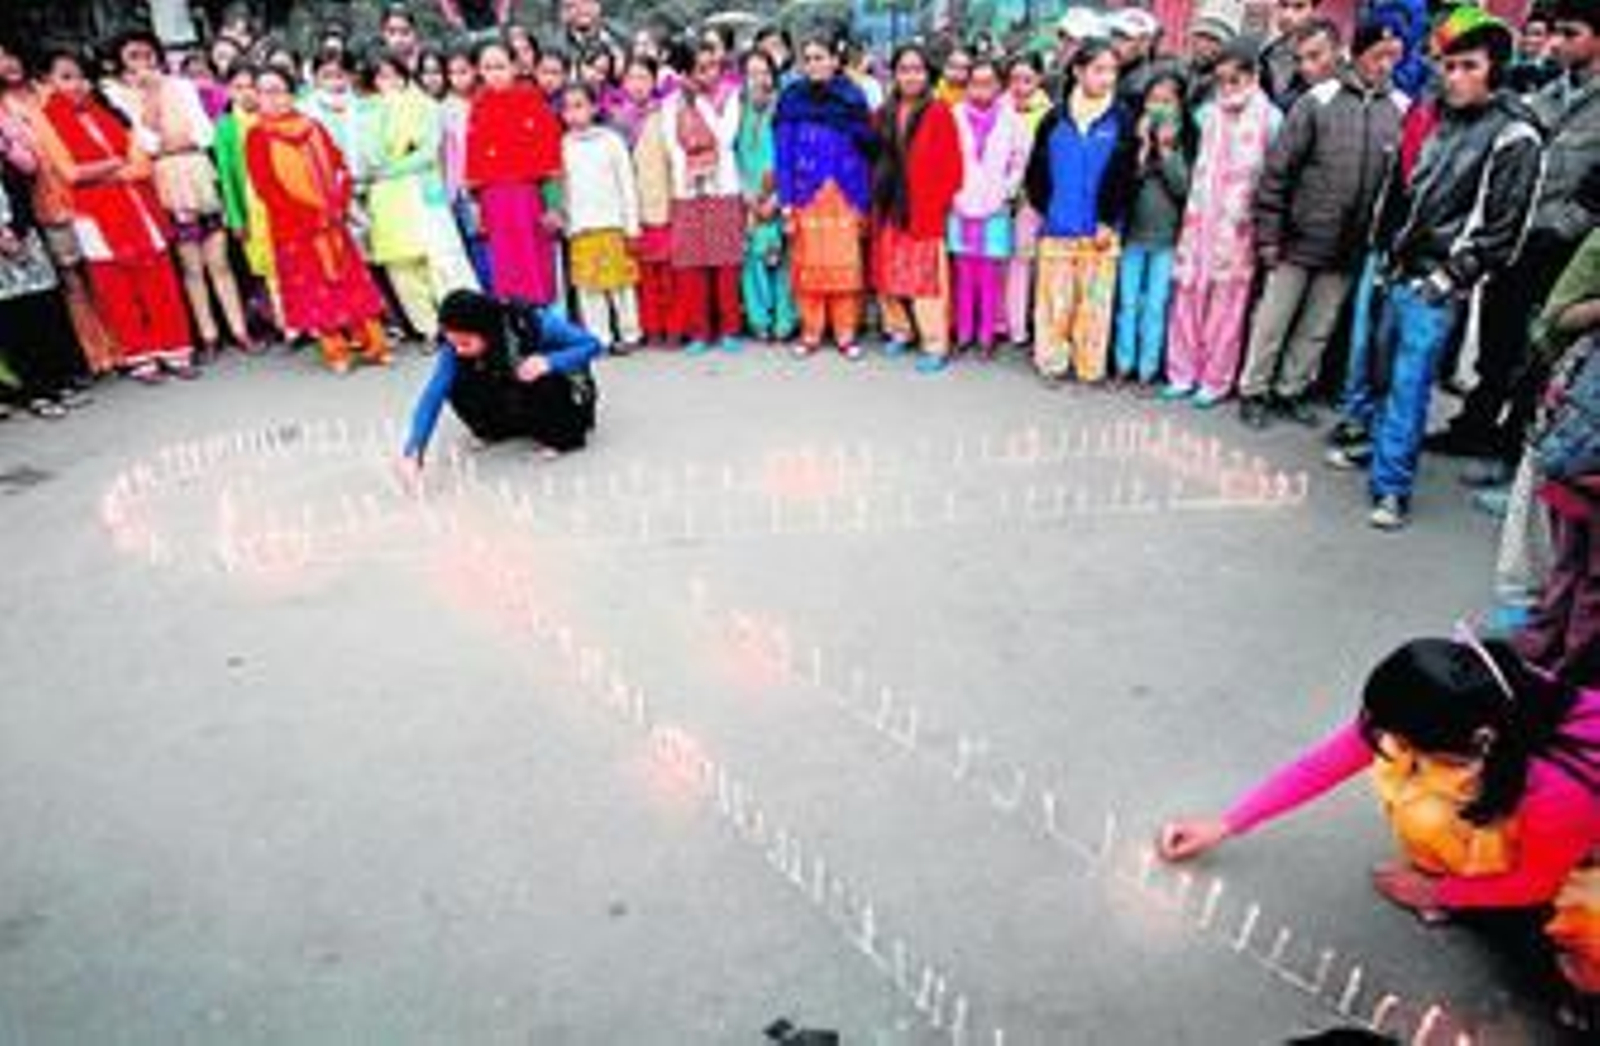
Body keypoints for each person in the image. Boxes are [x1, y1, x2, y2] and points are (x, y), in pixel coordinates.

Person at [1158, 635, 1599, 998]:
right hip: (1535, 811)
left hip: (1579, 853)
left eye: (1404, 738)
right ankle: (1469, 877)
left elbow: (1535, 883)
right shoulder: (1469, 694)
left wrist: (1437, 893)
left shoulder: (1561, 788)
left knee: (1583, 949)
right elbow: (1327, 761)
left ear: (1478, 742)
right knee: (1421, 797)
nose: (1383, 741)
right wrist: (1226, 823)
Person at [1336, 7, 1542, 532]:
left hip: (1438, 283)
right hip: (1397, 266)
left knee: (1408, 387)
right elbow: (1407, 193)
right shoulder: (1441, 118)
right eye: (1448, 66)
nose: (1455, 77)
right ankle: (1381, 455)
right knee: (1380, 377)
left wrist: (1446, 280)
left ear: (1495, 68)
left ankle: (1392, 488)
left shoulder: (1516, 135)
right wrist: (1385, 253)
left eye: (1468, 66)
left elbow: (1502, 234)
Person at [1428, 0, 1600, 475]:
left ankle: (1512, 452)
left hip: (1561, 250)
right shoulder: (1547, 87)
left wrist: (1554, 230)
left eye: (1571, 32)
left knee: (1539, 353)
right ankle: (1473, 427)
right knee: (1497, 343)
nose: (1557, 42)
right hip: (1517, 237)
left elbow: (1593, 198)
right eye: (1556, 33)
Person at [1237, 20, 1406, 430]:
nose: (1385, 66)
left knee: (1318, 327)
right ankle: (1254, 391)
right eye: (1377, 56)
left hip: (1350, 245)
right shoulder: (1318, 100)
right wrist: (1269, 236)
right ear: (1357, 52)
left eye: (1393, 58)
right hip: (1298, 236)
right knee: (1273, 321)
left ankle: (1290, 389)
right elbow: (1278, 173)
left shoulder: (1400, 108)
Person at [40, 49, 196, 383]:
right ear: (48, 82)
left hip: (138, 203)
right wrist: (114, 164)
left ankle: (175, 348)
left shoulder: (109, 111)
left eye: (82, 76)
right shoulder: (47, 120)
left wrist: (109, 171)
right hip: (93, 215)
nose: (77, 84)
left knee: (159, 276)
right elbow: (70, 173)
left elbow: (141, 163)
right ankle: (139, 355)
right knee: (115, 285)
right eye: (66, 77)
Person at [112, 30, 252, 360]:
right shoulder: (120, 97)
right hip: (165, 181)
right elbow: (145, 143)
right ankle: (208, 334)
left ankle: (239, 328)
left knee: (219, 261)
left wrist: (174, 140)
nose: (143, 62)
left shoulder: (182, 87)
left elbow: (204, 133)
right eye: (134, 56)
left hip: (198, 173)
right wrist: (149, 102)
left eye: (147, 54)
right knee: (191, 266)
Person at [246, 66, 389, 373]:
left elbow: (339, 167)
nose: (272, 99)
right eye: (264, 92)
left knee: (350, 282)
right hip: (294, 228)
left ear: (291, 93)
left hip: (333, 219)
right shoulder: (257, 136)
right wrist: (311, 214)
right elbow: (266, 188)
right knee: (314, 288)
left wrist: (336, 203)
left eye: (278, 90)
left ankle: (374, 345)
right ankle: (336, 350)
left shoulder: (312, 126)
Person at [1163, 36, 1280, 409]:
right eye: (1221, 80)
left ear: (1253, 75)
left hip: (1238, 229)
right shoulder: (1206, 115)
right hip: (1199, 222)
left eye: (1235, 79)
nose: (1227, 87)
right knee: (1187, 297)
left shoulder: (1271, 119)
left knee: (1227, 308)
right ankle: (1181, 372)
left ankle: (1215, 379)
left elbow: (1276, 179)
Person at [0, 39, 118, 375]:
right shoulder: (3, 108)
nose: (7, 62)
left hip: (88, 190)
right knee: (72, 279)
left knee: (99, 270)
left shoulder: (47, 90)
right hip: (47, 200)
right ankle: (95, 353)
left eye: (8, 53)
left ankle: (121, 343)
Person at [1515, 229, 1600, 689]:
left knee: (1590, 577)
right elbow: (1557, 319)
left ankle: (1566, 673)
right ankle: (1547, 659)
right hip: (1582, 435)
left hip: (1581, 433)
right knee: (1572, 559)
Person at [400, 288, 601, 482]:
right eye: (453, 343)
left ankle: (563, 439)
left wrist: (550, 362)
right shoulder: (456, 342)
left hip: (565, 389)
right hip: (513, 384)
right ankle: (499, 430)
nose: (458, 350)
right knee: (455, 383)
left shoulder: (530, 321)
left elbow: (592, 344)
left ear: (485, 330)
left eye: (465, 343)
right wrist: (414, 449)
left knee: (535, 375)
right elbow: (434, 392)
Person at [1024, 39, 1135, 386]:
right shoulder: (1054, 118)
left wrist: (1110, 220)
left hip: (1100, 231)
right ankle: (1052, 362)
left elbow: (1127, 175)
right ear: (1078, 71)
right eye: (1099, 70)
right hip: (1058, 225)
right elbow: (1036, 171)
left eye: (1112, 71)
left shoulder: (1121, 118)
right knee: (1054, 303)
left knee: (1095, 306)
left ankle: (1089, 367)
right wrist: (1047, 210)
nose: (1107, 78)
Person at [363, 50, 480, 346]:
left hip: (422, 190)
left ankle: (463, 323)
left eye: (392, 73)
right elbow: (367, 155)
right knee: (402, 266)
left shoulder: (426, 106)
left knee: (441, 259)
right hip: (387, 198)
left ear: (403, 74)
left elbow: (428, 152)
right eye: (380, 75)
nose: (387, 81)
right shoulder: (366, 111)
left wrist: (391, 169)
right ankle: (428, 328)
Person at [775, 33, 875, 360]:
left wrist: (863, 201)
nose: (815, 64)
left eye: (821, 57)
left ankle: (845, 333)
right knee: (809, 269)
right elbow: (784, 154)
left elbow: (866, 152)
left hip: (845, 195)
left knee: (846, 268)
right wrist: (787, 202)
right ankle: (811, 332)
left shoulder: (852, 98)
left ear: (835, 60)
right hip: (806, 196)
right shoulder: (792, 99)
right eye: (809, 58)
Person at [874, 43, 963, 374]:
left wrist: (938, 203)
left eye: (917, 69)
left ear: (928, 74)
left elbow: (953, 166)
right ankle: (899, 329)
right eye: (903, 70)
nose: (910, 76)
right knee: (889, 272)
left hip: (924, 209)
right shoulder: (884, 112)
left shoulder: (939, 111)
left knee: (926, 281)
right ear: (894, 75)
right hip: (888, 205)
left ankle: (935, 343)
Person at [465, 40, 564, 307]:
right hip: (493, 199)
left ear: (514, 67)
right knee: (505, 265)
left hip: (527, 197)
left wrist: (554, 204)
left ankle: (542, 322)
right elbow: (474, 160)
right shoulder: (478, 107)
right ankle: (514, 322)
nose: (495, 73)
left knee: (534, 261)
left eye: (500, 66)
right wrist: (477, 206)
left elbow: (550, 156)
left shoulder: (532, 101)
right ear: (478, 71)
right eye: (487, 67)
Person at [662, 40, 745, 356]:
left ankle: (729, 329)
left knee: (725, 264)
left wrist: (698, 102)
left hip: (723, 186)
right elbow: (672, 146)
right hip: (687, 190)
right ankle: (698, 331)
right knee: (691, 266)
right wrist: (691, 173)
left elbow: (723, 138)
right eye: (701, 68)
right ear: (686, 71)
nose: (708, 74)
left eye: (713, 67)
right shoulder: (671, 104)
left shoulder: (729, 97)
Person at [0, 116, 87, 418]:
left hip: (24, 235)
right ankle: (36, 391)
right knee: (13, 320)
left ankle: (57, 381)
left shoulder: (5, 138)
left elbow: (25, 178)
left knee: (44, 309)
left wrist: (18, 230)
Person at [1113, 71, 1190, 390]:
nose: (1158, 107)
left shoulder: (1186, 140)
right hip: (1132, 235)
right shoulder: (1132, 136)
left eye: (1167, 101)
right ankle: (1123, 364)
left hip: (1166, 239)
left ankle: (1147, 369)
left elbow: (1184, 189)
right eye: (1153, 100)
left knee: (1156, 306)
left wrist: (1168, 150)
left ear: (1179, 105)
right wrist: (1143, 147)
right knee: (1128, 303)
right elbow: (1124, 186)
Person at [949, 56, 1028, 358]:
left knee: (990, 276)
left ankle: (987, 334)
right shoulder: (954, 115)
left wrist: (1006, 191)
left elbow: (1019, 161)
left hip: (995, 208)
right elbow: (947, 159)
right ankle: (965, 331)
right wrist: (954, 195)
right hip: (961, 206)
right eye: (975, 83)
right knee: (965, 273)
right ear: (966, 85)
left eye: (988, 83)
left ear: (999, 85)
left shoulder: (1012, 119)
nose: (981, 90)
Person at [560, 82, 641, 353]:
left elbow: (627, 184)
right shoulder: (563, 145)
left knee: (620, 284)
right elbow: (563, 190)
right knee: (589, 289)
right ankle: (600, 338)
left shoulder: (611, 141)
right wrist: (568, 225)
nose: (573, 114)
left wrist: (632, 226)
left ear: (594, 108)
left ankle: (630, 333)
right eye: (567, 108)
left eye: (579, 106)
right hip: (581, 227)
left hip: (612, 224)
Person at [212, 60, 279, 337]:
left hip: (279, 203)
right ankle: (283, 322)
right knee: (267, 267)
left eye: (251, 86)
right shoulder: (225, 127)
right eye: (238, 87)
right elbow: (227, 177)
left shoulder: (272, 118)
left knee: (290, 259)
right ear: (228, 91)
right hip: (251, 207)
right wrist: (236, 216)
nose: (246, 93)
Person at [735, 49, 797, 345]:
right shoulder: (737, 110)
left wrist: (779, 196)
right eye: (751, 73)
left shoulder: (785, 108)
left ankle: (785, 321)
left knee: (782, 258)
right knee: (753, 259)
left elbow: (792, 156)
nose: (758, 79)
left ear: (774, 75)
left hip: (779, 195)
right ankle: (759, 319)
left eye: (764, 72)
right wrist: (746, 194)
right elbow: (732, 153)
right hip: (748, 196)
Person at [622, 54, 676, 346]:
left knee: (668, 273)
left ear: (655, 81)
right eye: (631, 77)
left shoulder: (664, 115)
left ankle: (672, 327)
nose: (637, 84)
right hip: (633, 210)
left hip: (662, 204)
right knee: (643, 276)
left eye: (643, 77)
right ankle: (651, 328)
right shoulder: (618, 119)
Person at [1004, 53, 1052, 351]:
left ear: (1039, 80)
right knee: (1004, 262)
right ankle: (1006, 322)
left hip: (1031, 198)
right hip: (999, 197)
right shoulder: (999, 108)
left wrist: (1027, 191)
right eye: (1014, 80)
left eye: (1027, 80)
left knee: (1025, 261)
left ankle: (1022, 326)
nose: (1020, 86)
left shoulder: (1050, 113)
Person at [1260, 0, 1322, 110]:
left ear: (1313, 12)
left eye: (1299, 7)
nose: (1287, 15)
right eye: (1283, 5)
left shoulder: (1328, 60)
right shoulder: (1265, 55)